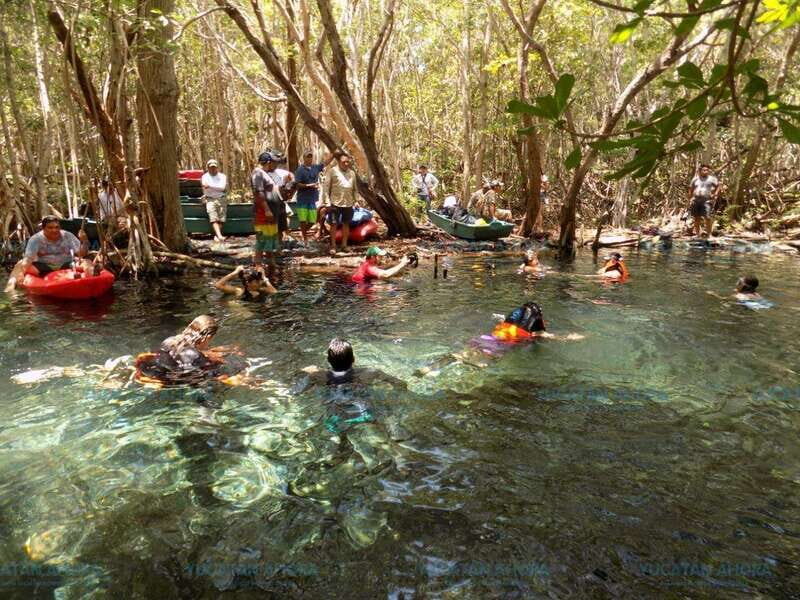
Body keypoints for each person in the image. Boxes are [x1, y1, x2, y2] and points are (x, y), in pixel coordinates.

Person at [134, 315, 242, 387]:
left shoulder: (171, 340)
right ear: (207, 337)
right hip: (165, 383)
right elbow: (214, 376)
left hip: (148, 373)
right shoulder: (195, 355)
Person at [5, 216, 94, 292]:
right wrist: (21, 273)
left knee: (87, 262)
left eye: (57, 227)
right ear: (43, 229)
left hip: (67, 263)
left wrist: (85, 240)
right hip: (43, 265)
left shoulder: (68, 235)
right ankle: (10, 290)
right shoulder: (36, 239)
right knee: (19, 265)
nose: (54, 230)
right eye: (50, 228)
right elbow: (28, 259)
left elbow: (81, 254)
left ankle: (92, 281)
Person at [251, 151, 284, 268]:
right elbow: (258, 192)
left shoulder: (264, 173)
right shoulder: (258, 173)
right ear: (268, 162)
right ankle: (258, 265)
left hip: (271, 212)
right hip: (263, 212)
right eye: (273, 162)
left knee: (270, 237)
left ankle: (271, 262)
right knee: (262, 239)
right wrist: (267, 210)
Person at [294, 149, 333, 245]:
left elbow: (325, 163)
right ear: (304, 158)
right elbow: (297, 184)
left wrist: (334, 154)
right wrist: (309, 185)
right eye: (308, 156)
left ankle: (302, 232)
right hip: (302, 198)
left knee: (313, 219)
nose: (309, 158)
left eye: (311, 156)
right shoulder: (300, 170)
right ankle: (304, 238)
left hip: (313, 198)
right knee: (303, 219)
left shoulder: (315, 168)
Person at [324, 151, 358, 255]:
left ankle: (344, 245)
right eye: (344, 162)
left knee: (346, 223)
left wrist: (356, 200)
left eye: (348, 162)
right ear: (339, 162)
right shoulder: (332, 171)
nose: (346, 164)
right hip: (335, 202)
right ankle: (333, 246)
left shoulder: (352, 173)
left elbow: (355, 189)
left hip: (348, 202)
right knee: (333, 224)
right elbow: (326, 187)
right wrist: (327, 202)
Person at [688, 164, 719, 237]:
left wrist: (715, 194)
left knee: (707, 217)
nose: (706, 171)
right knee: (696, 217)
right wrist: (690, 198)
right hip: (696, 200)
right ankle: (697, 234)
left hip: (706, 200)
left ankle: (709, 235)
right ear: (700, 171)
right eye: (704, 170)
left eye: (707, 170)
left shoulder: (712, 179)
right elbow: (690, 188)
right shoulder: (695, 179)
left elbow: (718, 185)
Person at [202, 159, 228, 243]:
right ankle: (220, 236)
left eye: (214, 167)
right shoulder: (205, 176)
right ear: (208, 168)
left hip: (221, 199)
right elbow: (205, 186)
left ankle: (217, 236)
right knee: (213, 217)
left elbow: (222, 188)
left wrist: (210, 186)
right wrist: (216, 188)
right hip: (210, 199)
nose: (213, 169)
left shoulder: (222, 176)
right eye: (211, 167)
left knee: (221, 219)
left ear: (217, 168)